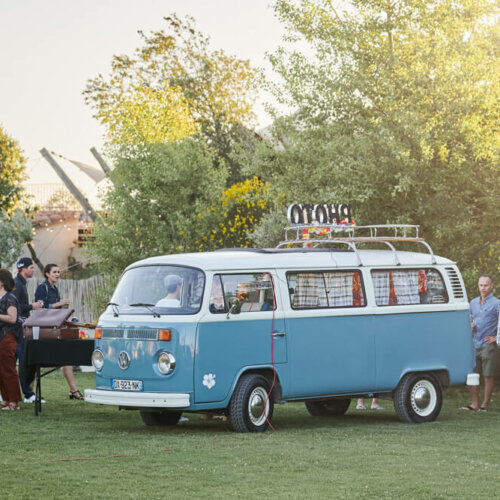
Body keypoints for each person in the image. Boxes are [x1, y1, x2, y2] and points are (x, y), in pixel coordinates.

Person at [35, 263, 83, 400]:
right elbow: (40, 309)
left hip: (56, 330)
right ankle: (30, 393)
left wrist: (63, 309)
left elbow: (55, 312)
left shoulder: (55, 289)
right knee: (35, 362)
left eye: (58, 272)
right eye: (55, 272)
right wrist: (59, 304)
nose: (57, 274)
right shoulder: (41, 288)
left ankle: (73, 390)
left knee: (66, 357)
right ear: (47, 274)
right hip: (44, 331)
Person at [460, 274, 499, 412]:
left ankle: (484, 405)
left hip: (488, 345)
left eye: (486, 285)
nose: (483, 288)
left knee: (488, 376)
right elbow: (470, 319)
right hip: (474, 344)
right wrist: (471, 325)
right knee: (472, 376)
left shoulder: (496, 304)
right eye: (481, 285)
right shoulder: (473, 303)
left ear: (491, 286)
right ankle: (475, 404)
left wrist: (496, 338)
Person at [12, 257, 44, 403]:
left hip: (20, 329)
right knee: (20, 362)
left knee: (22, 362)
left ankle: (27, 394)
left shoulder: (21, 283)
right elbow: (15, 308)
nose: (33, 269)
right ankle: (27, 394)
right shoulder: (17, 285)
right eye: (31, 267)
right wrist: (34, 306)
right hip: (15, 330)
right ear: (23, 269)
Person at [0, 269, 23, 410]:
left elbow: (12, 318)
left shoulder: (10, 298)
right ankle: (6, 399)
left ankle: (14, 401)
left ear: (2, 282)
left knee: (8, 369)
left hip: (7, 336)